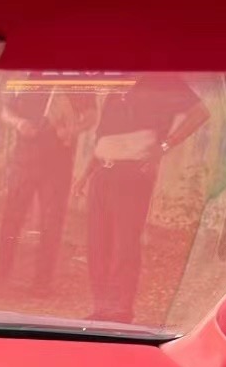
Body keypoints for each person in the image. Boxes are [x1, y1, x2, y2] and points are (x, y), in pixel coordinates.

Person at [82, 75, 210, 322]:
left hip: (132, 175)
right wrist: (86, 175)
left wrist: (164, 147)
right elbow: (101, 138)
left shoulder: (162, 81)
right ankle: (101, 309)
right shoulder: (118, 85)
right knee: (98, 246)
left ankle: (120, 310)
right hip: (102, 174)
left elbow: (200, 113)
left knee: (125, 245)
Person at [0, 77, 96, 291]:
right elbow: (5, 111)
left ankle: (42, 282)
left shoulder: (76, 75)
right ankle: (0, 272)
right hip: (24, 160)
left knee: (51, 224)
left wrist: (73, 130)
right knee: (11, 218)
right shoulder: (26, 74)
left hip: (58, 164)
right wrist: (19, 123)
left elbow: (92, 115)